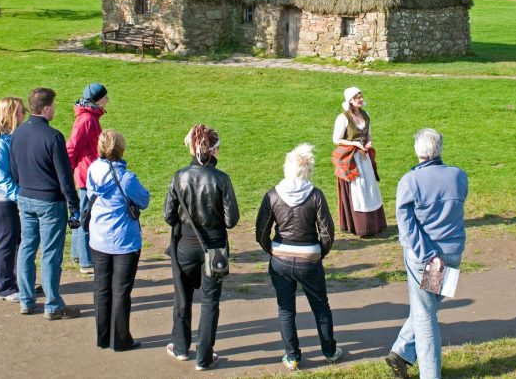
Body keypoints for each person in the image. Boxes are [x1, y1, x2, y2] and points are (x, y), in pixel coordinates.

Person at [386, 129, 468, 379]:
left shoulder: (410, 181)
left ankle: (430, 374)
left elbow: (406, 224)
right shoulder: (457, 175)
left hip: (428, 256)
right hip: (452, 251)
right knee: (429, 306)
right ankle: (401, 351)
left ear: (417, 151)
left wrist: (428, 254)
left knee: (424, 315)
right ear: (439, 149)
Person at [255, 143, 343, 371]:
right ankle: (330, 351)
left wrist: (273, 250)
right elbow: (327, 232)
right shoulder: (315, 195)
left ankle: (292, 356)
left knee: (285, 309)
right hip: (309, 259)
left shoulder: (273, 195)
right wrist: (318, 252)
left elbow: (261, 231)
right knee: (321, 306)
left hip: (281, 260)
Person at [163, 124, 239, 371]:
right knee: (210, 302)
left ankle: (181, 346)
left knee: (182, 298)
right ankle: (204, 357)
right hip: (215, 248)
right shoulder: (221, 179)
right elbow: (231, 220)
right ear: (214, 150)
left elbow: (168, 215)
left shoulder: (179, 176)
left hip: (185, 244)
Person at [10, 88, 81, 320]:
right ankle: (52, 305)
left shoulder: (18, 133)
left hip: (25, 198)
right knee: (51, 253)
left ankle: (26, 300)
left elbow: (14, 170)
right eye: (54, 106)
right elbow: (64, 177)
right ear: (47, 107)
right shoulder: (53, 137)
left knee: (27, 248)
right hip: (50, 202)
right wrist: (74, 206)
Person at [86, 129, 149, 351]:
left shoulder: (93, 170)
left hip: (99, 238)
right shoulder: (126, 177)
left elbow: (89, 195)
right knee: (121, 291)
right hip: (124, 241)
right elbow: (144, 200)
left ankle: (102, 337)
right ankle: (121, 339)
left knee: (101, 288)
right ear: (121, 149)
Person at [0, 96, 26, 303]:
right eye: (20, 112)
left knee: (16, 239)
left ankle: (19, 281)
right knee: (7, 241)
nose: (24, 115)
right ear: (10, 114)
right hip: (0, 200)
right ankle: (5, 287)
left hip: (8, 198)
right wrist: (18, 196)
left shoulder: (10, 137)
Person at [332, 87, 386, 236]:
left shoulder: (365, 115)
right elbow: (336, 140)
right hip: (351, 159)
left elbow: (368, 135)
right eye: (357, 98)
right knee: (358, 189)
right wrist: (355, 144)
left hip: (364, 156)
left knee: (370, 186)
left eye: (361, 97)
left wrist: (369, 143)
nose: (360, 99)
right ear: (350, 101)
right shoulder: (343, 118)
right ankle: (361, 226)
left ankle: (375, 224)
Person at [67, 82, 109, 274]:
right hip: (87, 174)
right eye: (105, 97)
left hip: (85, 171)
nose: (107, 100)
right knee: (86, 217)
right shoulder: (87, 120)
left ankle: (77, 254)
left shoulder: (90, 116)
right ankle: (86, 261)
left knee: (82, 213)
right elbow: (72, 147)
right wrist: (70, 169)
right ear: (97, 99)